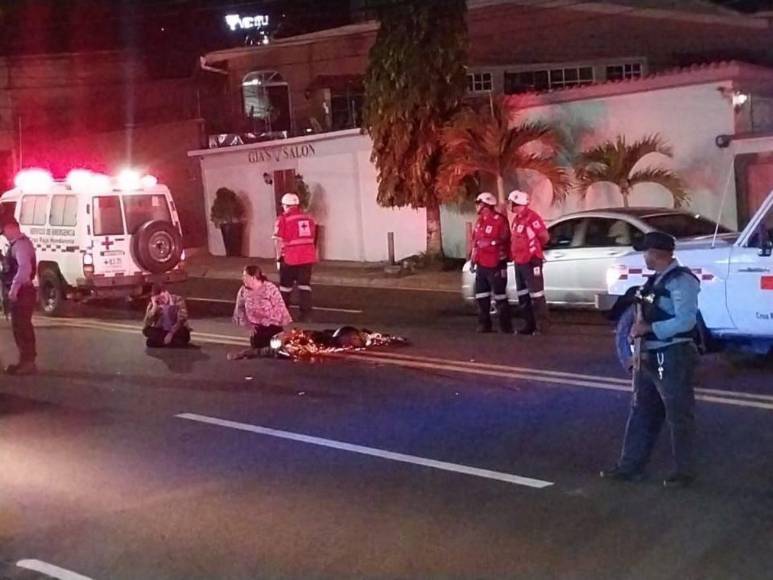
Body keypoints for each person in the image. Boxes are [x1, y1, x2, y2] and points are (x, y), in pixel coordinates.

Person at [601, 231, 701, 488]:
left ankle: (685, 472)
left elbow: (686, 320)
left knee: (678, 415)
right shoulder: (655, 280)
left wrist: (650, 329)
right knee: (642, 412)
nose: (644, 256)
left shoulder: (681, 282)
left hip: (672, 354)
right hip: (649, 354)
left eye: (646, 252)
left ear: (657, 253)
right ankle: (630, 466)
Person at [229, 264, 293, 360]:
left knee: (278, 353)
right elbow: (240, 309)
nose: (243, 278)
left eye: (245, 276)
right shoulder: (243, 291)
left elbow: (280, 306)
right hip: (257, 329)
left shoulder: (270, 288)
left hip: (273, 327)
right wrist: (248, 325)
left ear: (253, 277)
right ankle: (249, 353)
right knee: (262, 354)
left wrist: (279, 324)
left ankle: (245, 353)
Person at [508, 189, 550, 335]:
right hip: (519, 262)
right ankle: (528, 325)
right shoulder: (517, 219)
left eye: (512, 203)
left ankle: (541, 326)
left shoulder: (533, 218)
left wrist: (534, 252)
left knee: (537, 294)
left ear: (519, 203)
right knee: (523, 294)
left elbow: (544, 236)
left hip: (531, 261)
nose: (510, 206)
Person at [0, 214, 38, 374]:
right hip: (21, 292)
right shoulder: (16, 245)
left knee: (22, 327)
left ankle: (28, 362)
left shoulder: (21, 245)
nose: (4, 234)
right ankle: (25, 361)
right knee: (19, 327)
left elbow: (24, 269)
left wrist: (14, 289)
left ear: (11, 227)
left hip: (23, 292)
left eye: (4, 231)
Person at [470, 192, 512, 333]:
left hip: (496, 264)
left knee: (500, 296)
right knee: (481, 295)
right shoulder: (480, 221)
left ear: (485, 205)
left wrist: (489, 243)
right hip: (482, 264)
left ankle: (506, 326)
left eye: (478, 203)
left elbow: (504, 239)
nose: (476, 206)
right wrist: (473, 259)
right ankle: (484, 324)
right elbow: (475, 242)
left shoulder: (500, 220)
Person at [273, 192, 317, 321]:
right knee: (304, 285)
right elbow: (312, 237)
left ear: (286, 205)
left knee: (285, 286)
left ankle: (283, 314)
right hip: (307, 258)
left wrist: (278, 258)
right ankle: (306, 314)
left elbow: (278, 240)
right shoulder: (308, 218)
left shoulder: (283, 219)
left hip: (290, 258)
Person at [142, 284, 191, 348]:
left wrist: (171, 333)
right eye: (158, 299)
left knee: (183, 333)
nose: (161, 301)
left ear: (165, 293)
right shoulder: (154, 304)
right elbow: (146, 324)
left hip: (177, 330)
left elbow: (182, 318)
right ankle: (169, 342)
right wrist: (154, 308)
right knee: (147, 333)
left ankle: (163, 341)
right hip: (163, 330)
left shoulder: (177, 299)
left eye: (162, 297)